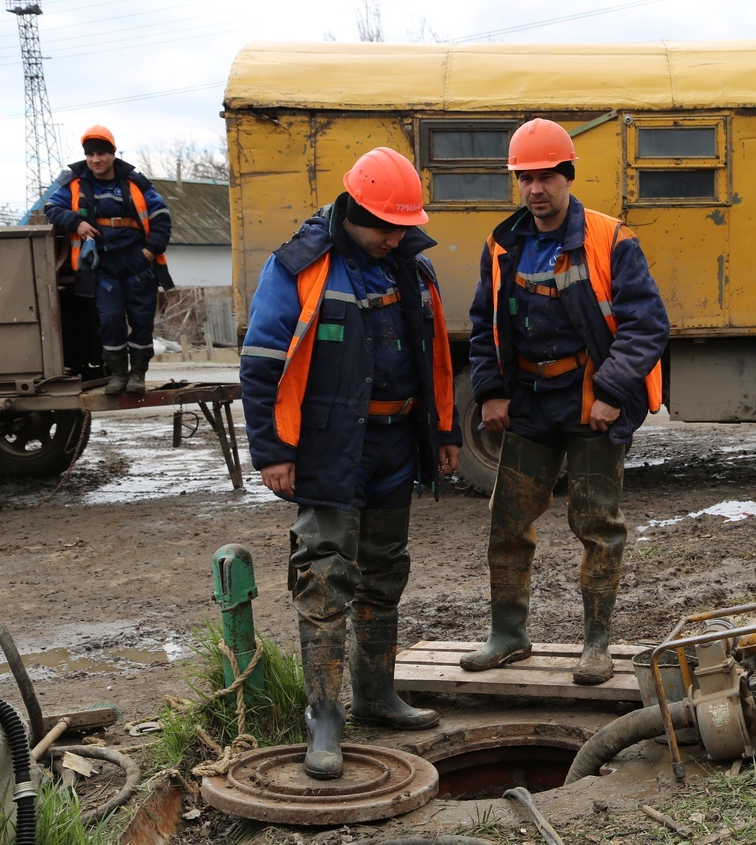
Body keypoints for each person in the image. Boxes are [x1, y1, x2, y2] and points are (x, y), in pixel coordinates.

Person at [238, 146, 461, 780]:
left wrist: (442, 432)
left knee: (385, 570)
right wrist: (274, 452)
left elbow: (436, 358)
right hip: (330, 447)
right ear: (352, 210)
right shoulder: (301, 267)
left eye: (402, 226)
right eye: (384, 225)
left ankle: (375, 695)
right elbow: (260, 363)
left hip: (396, 442)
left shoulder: (413, 268)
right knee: (324, 574)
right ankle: (324, 720)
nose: (394, 236)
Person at [461, 119, 669, 686]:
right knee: (507, 521)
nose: (535, 189)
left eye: (546, 176)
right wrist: (492, 391)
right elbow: (483, 325)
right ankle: (508, 637)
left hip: (588, 403)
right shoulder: (502, 245)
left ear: (567, 176)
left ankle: (596, 645)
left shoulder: (612, 239)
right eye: (525, 178)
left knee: (598, 524)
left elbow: (647, 326)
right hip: (528, 402)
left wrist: (611, 392)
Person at [45, 125, 173, 395]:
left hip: (137, 262)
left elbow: (162, 217)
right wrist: (76, 223)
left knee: (141, 321)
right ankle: (117, 375)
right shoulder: (74, 183)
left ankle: (137, 374)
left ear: (113, 155)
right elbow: (51, 208)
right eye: (90, 155)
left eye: (101, 154)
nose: (95, 160)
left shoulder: (134, 183)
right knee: (110, 321)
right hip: (101, 267)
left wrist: (149, 252)